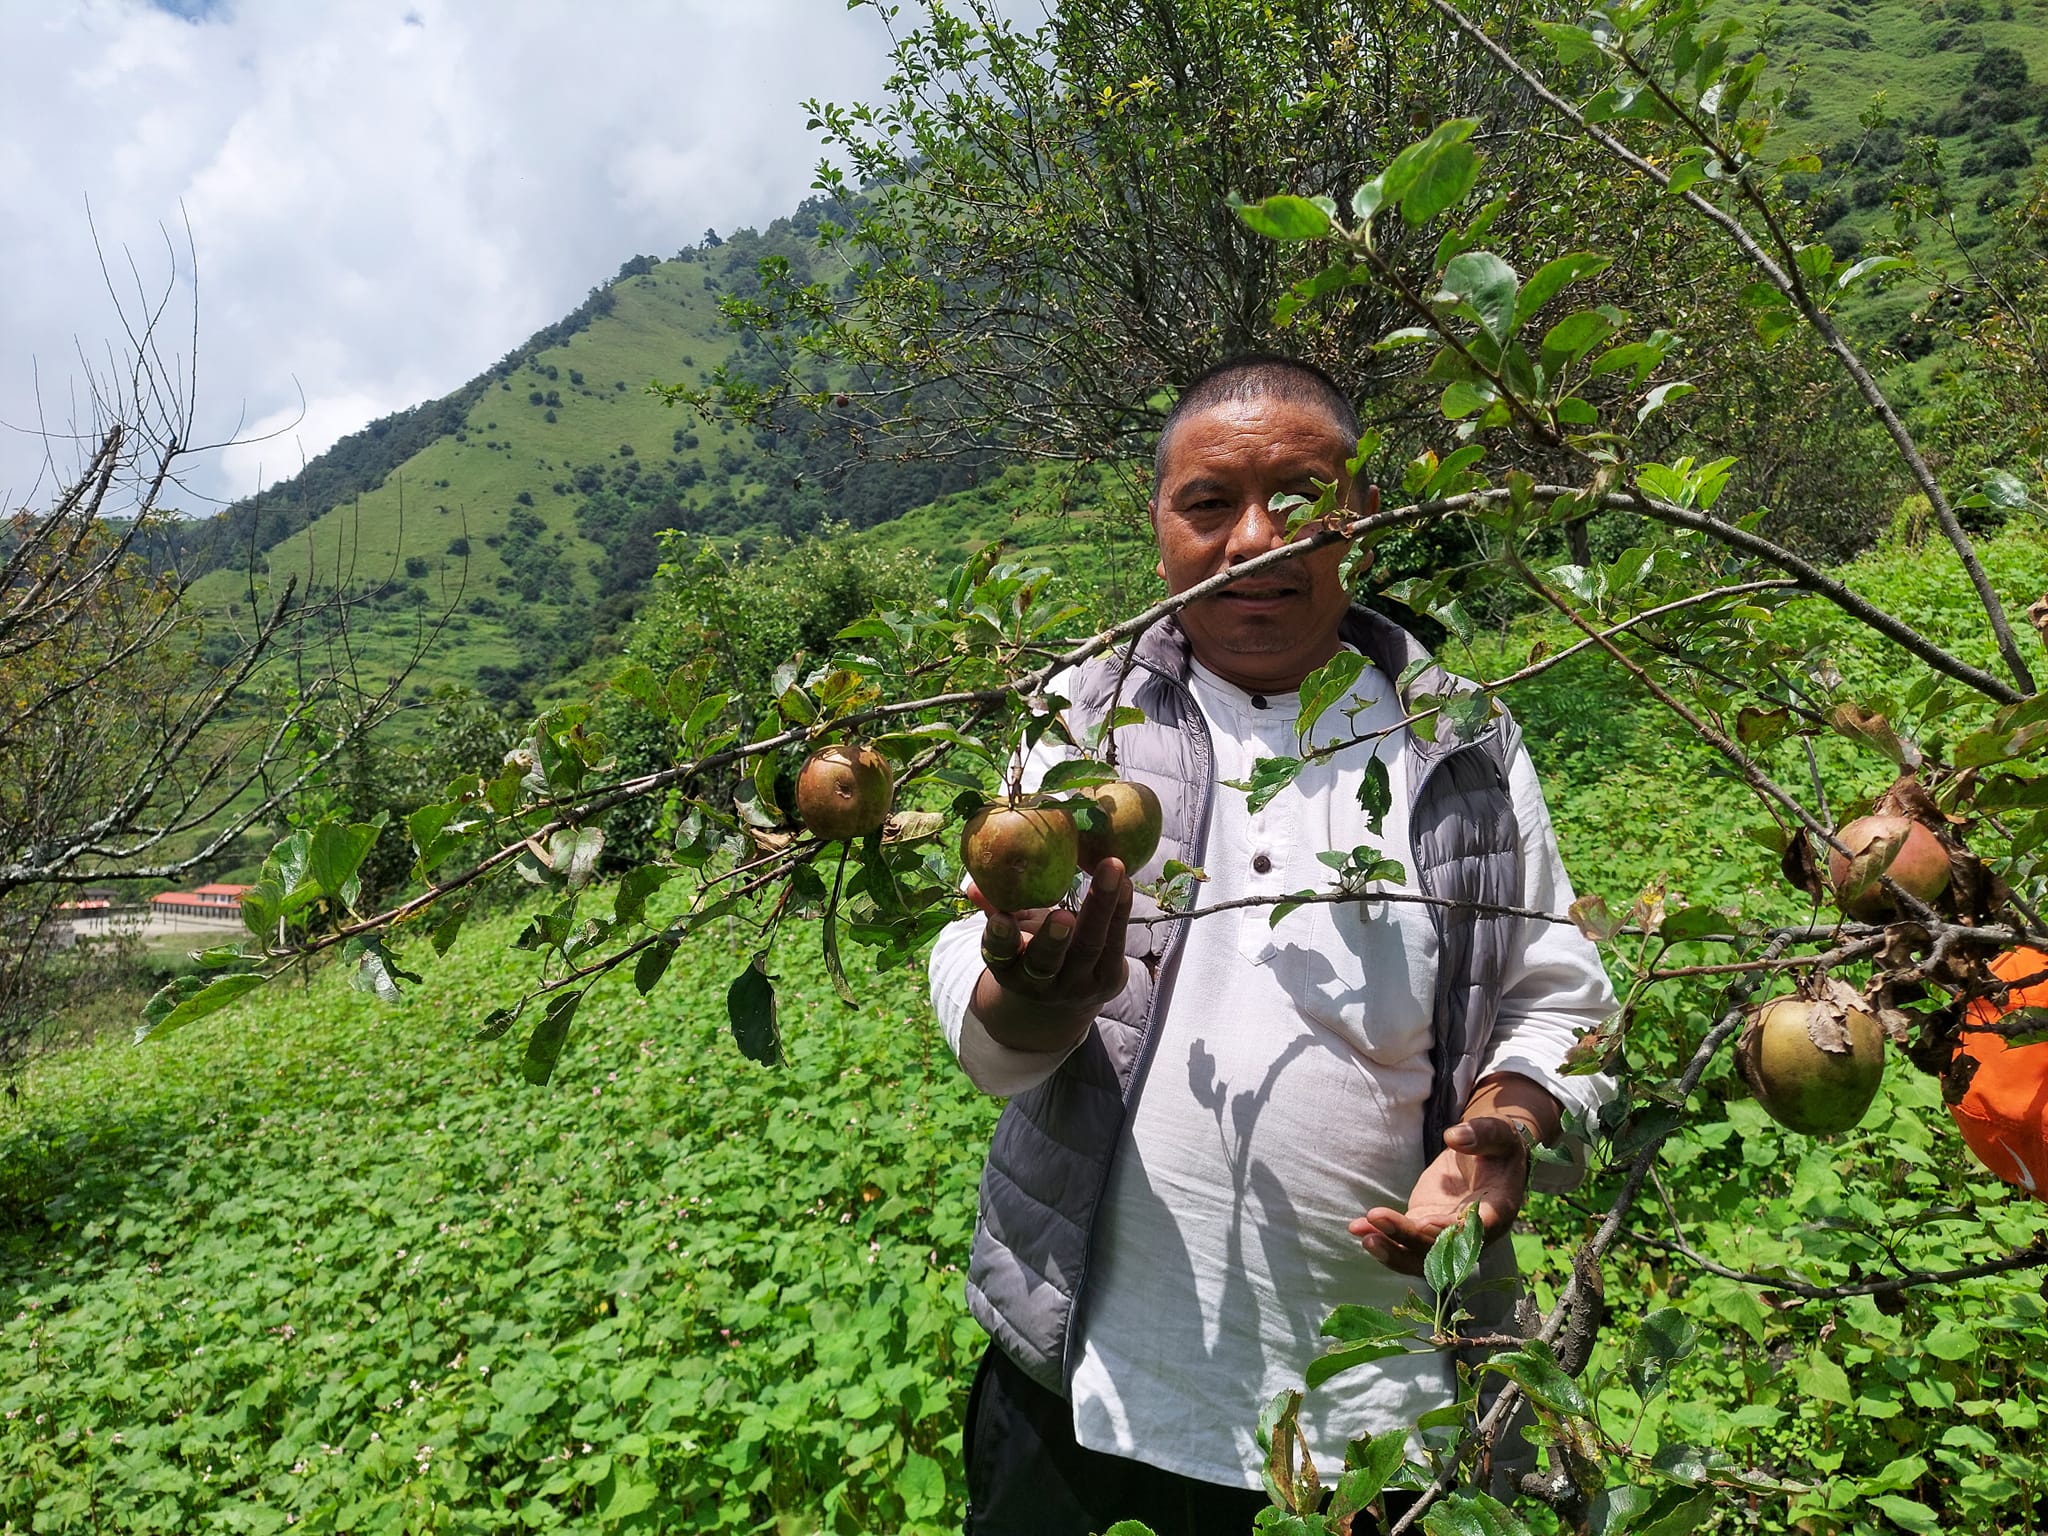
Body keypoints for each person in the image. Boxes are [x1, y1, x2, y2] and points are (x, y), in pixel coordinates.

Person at [926, 354, 1617, 1536]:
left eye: (1299, 501)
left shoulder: (1460, 736)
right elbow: (978, 999)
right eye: (1208, 504)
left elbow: (1557, 995)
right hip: (1090, 1393)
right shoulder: (1079, 719)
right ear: (1159, 530)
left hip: (1392, 1413)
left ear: (1358, 523)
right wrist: (1032, 997)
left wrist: (1507, 1120)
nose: (1257, 539)